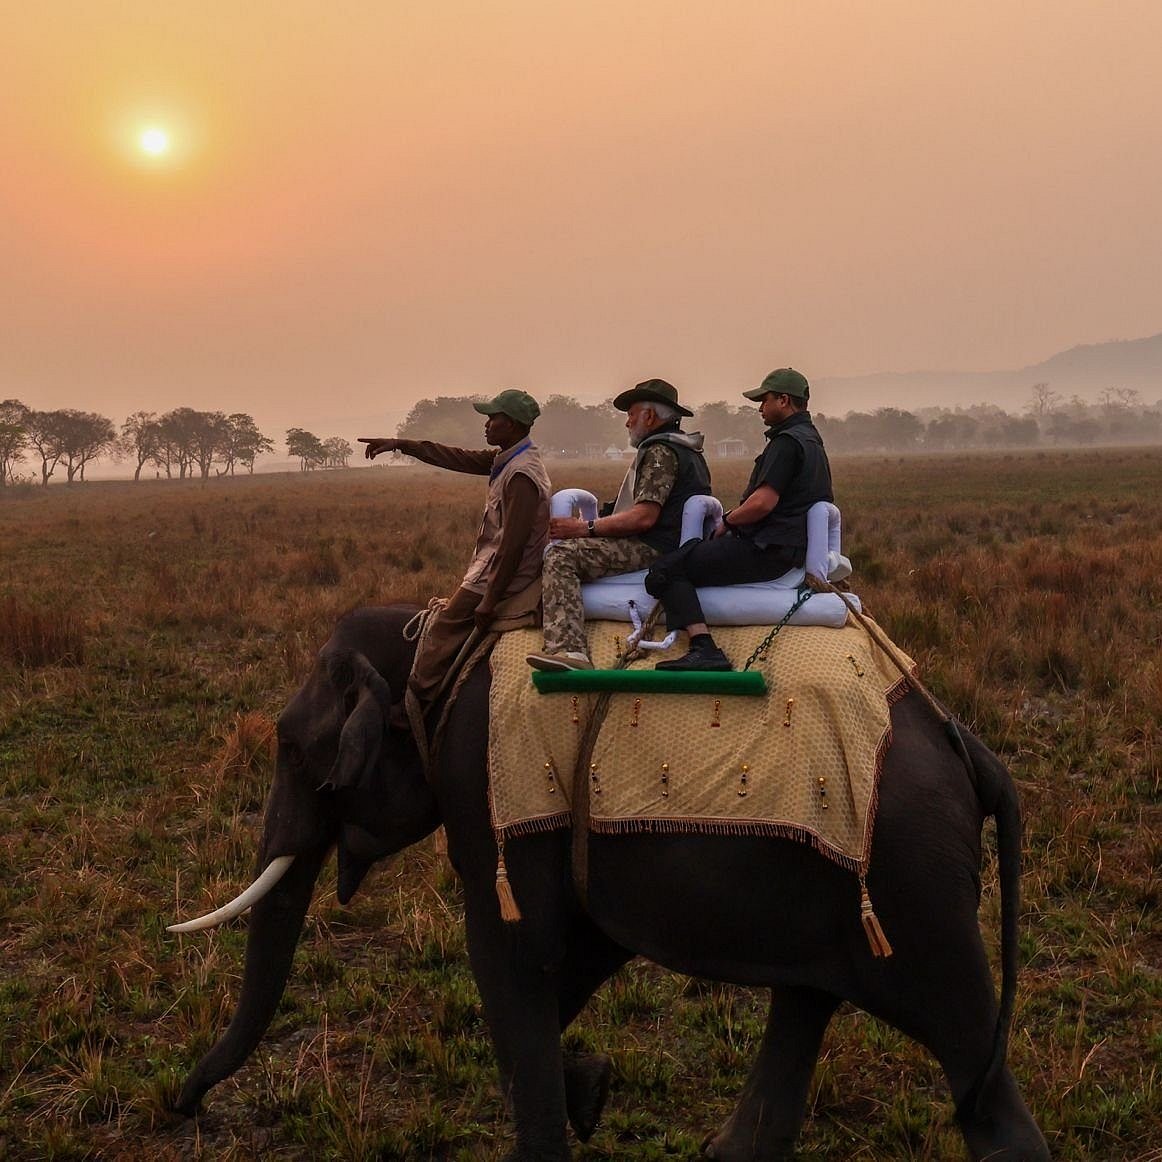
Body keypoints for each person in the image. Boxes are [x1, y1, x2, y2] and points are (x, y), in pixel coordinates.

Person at [359, 389, 550, 720]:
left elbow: (511, 547)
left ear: (514, 425)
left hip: (500, 575)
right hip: (491, 568)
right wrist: (401, 444)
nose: (487, 425)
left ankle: (414, 710)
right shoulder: (507, 460)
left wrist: (489, 599)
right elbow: (453, 456)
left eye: (494, 419)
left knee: (443, 630)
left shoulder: (521, 474)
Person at [643, 367, 833, 671]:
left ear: (783, 400)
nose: (760, 407)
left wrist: (729, 522)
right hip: (787, 548)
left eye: (765, 400)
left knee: (667, 569)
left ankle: (703, 647)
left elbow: (762, 503)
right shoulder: (811, 440)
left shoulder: (786, 442)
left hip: (766, 549)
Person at [527, 379, 711, 672]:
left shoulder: (660, 452)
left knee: (560, 556)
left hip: (654, 546)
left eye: (631, 415)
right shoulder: (687, 449)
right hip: (674, 544)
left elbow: (644, 517)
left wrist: (583, 528)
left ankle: (569, 650)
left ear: (649, 417)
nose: (627, 423)